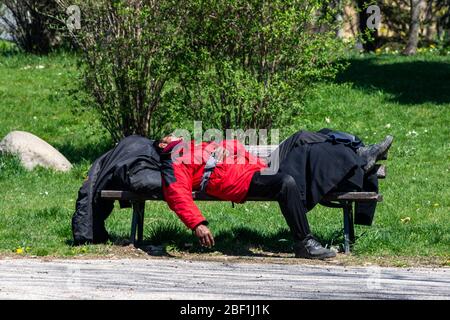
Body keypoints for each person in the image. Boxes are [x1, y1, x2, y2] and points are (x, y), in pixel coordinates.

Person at [156, 129, 393, 260]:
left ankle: (360, 152)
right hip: (243, 181)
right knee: (285, 183)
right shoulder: (174, 160)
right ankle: (304, 243)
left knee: (302, 136)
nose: (175, 135)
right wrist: (197, 223)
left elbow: (234, 149)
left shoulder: (197, 145)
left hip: (261, 166)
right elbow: (177, 193)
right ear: (162, 145)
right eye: (168, 137)